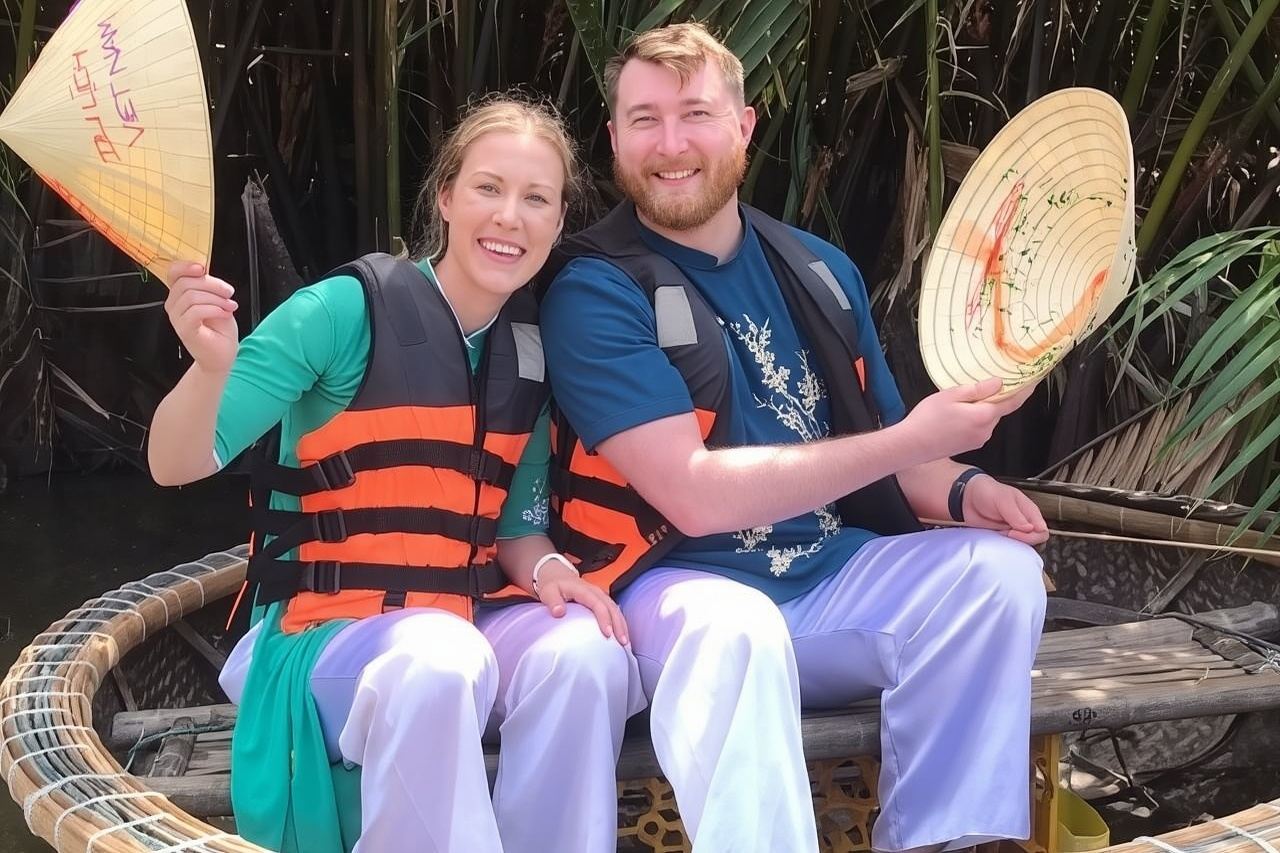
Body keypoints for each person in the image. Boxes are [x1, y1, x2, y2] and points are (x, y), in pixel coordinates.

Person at [539, 23, 1050, 853]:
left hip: (826, 581)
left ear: (743, 127)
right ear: (614, 138)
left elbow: (891, 444)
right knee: (736, 628)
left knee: (997, 575)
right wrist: (905, 445)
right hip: (674, 592)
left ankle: (942, 841)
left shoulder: (816, 268)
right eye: (645, 119)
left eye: (696, 114)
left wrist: (963, 487)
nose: (672, 144)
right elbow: (694, 495)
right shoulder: (594, 291)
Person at [148, 97, 644, 853]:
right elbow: (174, 460)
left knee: (585, 652)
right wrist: (211, 367)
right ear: (445, 196)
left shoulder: (528, 350)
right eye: (488, 188)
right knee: (445, 655)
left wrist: (548, 568)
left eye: (535, 198)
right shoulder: (342, 312)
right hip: (318, 643)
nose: (509, 216)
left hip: (454, 634)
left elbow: (515, 525)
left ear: (558, 220)